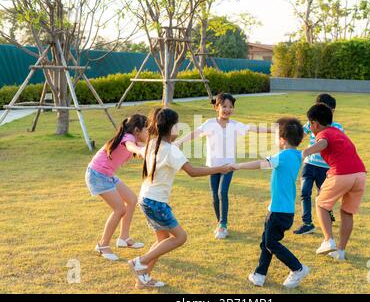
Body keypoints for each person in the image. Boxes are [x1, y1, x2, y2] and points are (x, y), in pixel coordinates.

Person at [128, 107, 233, 289]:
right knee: (180, 237)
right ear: (171, 128)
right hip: (155, 202)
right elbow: (192, 172)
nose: (179, 129)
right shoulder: (170, 150)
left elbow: (140, 149)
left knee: (162, 241)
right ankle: (140, 262)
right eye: (177, 125)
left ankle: (142, 278)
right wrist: (220, 168)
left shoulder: (154, 143)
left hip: (145, 198)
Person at [175, 93, 272, 239]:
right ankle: (219, 222)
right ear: (216, 107)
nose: (227, 109)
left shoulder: (235, 125)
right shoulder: (209, 124)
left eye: (230, 107)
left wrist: (274, 129)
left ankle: (223, 225)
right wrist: (180, 142)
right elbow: (195, 133)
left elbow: (254, 128)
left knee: (222, 192)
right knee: (215, 195)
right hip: (212, 166)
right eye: (224, 106)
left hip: (228, 166)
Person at [231, 117, 310, 288]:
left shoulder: (282, 156)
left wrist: (238, 166)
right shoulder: (297, 155)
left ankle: (298, 268)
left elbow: (261, 164)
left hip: (279, 211)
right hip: (280, 208)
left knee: (271, 243)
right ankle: (259, 274)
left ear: (282, 140)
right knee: (266, 241)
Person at [302, 103, 367, 261]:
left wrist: (306, 152)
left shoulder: (322, 134)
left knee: (320, 203)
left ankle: (328, 240)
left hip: (342, 174)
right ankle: (340, 251)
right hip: (360, 174)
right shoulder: (337, 131)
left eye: (310, 124)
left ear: (315, 124)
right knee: (346, 212)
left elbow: (323, 143)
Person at [85, 114, 148, 261]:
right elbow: (131, 147)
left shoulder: (132, 139)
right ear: (137, 130)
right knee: (120, 210)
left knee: (132, 200)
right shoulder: (128, 139)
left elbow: (143, 148)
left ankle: (123, 238)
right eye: (147, 129)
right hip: (98, 175)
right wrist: (140, 151)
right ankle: (102, 245)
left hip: (107, 174)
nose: (149, 132)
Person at [293, 93, 344, 235]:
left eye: (331, 111)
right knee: (304, 192)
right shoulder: (311, 123)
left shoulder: (337, 127)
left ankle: (328, 214)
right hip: (309, 164)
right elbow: (300, 135)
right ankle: (307, 223)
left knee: (323, 196)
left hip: (326, 168)